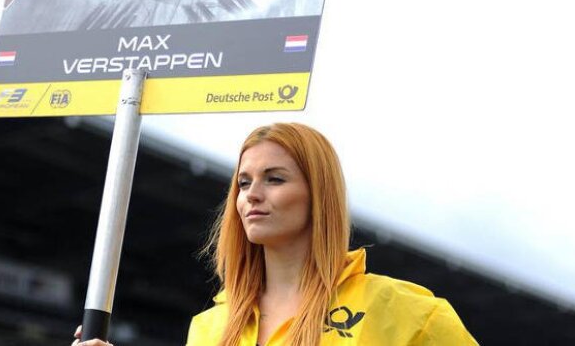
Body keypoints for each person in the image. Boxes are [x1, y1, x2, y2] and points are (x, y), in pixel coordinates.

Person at [73, 123, 479, 346]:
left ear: (319, 195)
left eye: (275, 179)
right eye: (244, 183)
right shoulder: (211, 327)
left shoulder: (405, 311)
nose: (253, 196)